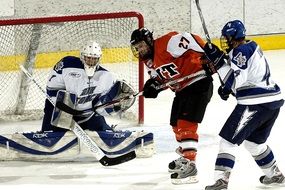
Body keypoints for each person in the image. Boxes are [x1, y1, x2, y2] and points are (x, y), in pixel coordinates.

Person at [203, 20, 285, 190]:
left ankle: (221, 181)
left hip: (255, 104)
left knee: (228, 142)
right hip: (272, 103)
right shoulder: (249, 47)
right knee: (254, 144)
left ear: (234, 37)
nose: (225, 41)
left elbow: (235, 83)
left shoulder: (240, 51)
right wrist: (219, 60)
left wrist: (218, 63)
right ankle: (275, 175)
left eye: (227, 38)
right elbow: (239, 74)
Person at [130, 28, 213, 184]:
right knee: (175, 125)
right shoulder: (147, 61)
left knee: (186, 125)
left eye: (141, 45)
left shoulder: (167, 43)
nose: (139, 50)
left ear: (149, 41)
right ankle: (185, 158)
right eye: (137, 48)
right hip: (182, 89)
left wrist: (208, 54)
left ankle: (191, 166)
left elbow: (190, 38)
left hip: (198, 83)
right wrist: (153, 86)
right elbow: (161, 79)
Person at [41, 41, 134, 132]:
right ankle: (48, 132)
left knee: (101, 129)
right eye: (88, 58)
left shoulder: (106, 76)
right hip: (65, 111)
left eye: (94, 58)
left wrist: (118, 103)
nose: (91, 61)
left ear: (99, 59)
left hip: (88, 114)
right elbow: (51, 88)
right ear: (82, 56)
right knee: (50, 109)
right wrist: (61, 105)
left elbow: (107, 102)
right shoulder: (67, 65)